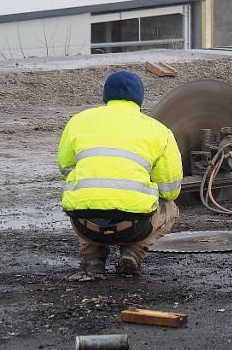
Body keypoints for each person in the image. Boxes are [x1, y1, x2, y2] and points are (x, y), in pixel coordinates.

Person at [58, 70, 183, 277]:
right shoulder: (159, 131)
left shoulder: (78, 121)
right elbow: (169, 190)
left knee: (83, 196)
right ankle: (134, 252)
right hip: (133, 227)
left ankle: (93, 260)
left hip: (86, 225)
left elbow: (66, 170)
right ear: (140, 99)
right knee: (171, 208)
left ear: (105, 96)